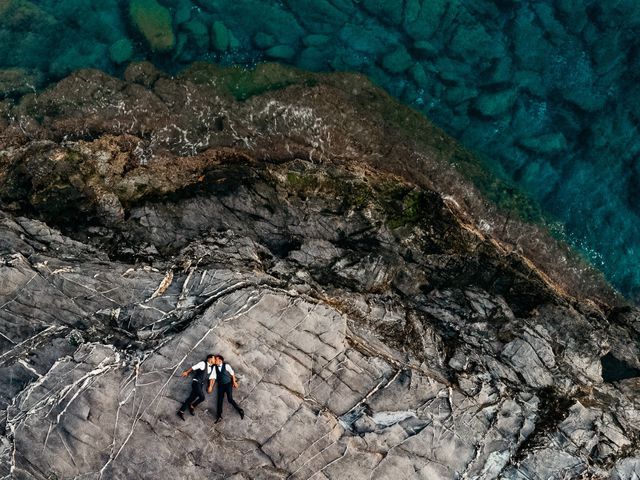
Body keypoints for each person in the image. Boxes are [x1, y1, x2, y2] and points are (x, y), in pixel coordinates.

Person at [177, 354, 216, 421]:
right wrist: (187, 372)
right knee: (202, 397)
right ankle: (192, 406)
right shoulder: (203, 363)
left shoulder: (212, 368)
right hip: (196, 382)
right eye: (213, 358)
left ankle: (180, 411)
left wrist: (210, 386)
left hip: (201, 385)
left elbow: (212, 378)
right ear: (209, 359)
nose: (214, 360)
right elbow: (193, 367)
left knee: (191, 398)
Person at [208, 354, 244, 423]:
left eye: (216, 359)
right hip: (220, 386)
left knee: (230, 399)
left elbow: (232, 373)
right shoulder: (215, 368)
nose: (215, 360)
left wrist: (234, 382)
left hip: (228, 384)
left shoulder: (226, 366)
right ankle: (219, 416)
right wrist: (210, 386)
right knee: (219, 401)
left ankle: (240, 410)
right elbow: (213, 377)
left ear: (220, 360)